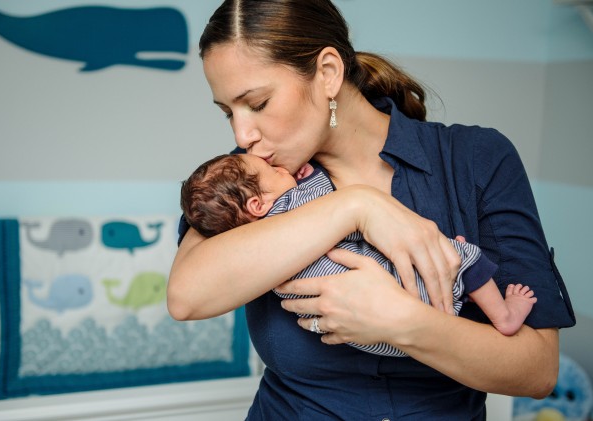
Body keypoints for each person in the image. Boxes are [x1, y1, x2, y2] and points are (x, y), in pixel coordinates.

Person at [167, 0, 576, 419]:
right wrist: (356, 206)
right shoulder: (250, 181)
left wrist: (403, 322)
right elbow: (186, 297)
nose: (242, 133)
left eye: (257, 103)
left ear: (327, 73)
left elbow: (537, 370)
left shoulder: (476, 159)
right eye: (227, 113)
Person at [180, 152, 537, 348]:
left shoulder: (254, 245)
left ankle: (461, 292)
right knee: (460, 259)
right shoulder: (292, 206)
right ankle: (504, 316)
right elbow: (326, 200)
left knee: (438, 271)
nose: (250, 143)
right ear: (258, 204)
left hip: (367, 340)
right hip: (398, 306)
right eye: (270, 169)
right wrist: (311, 179)